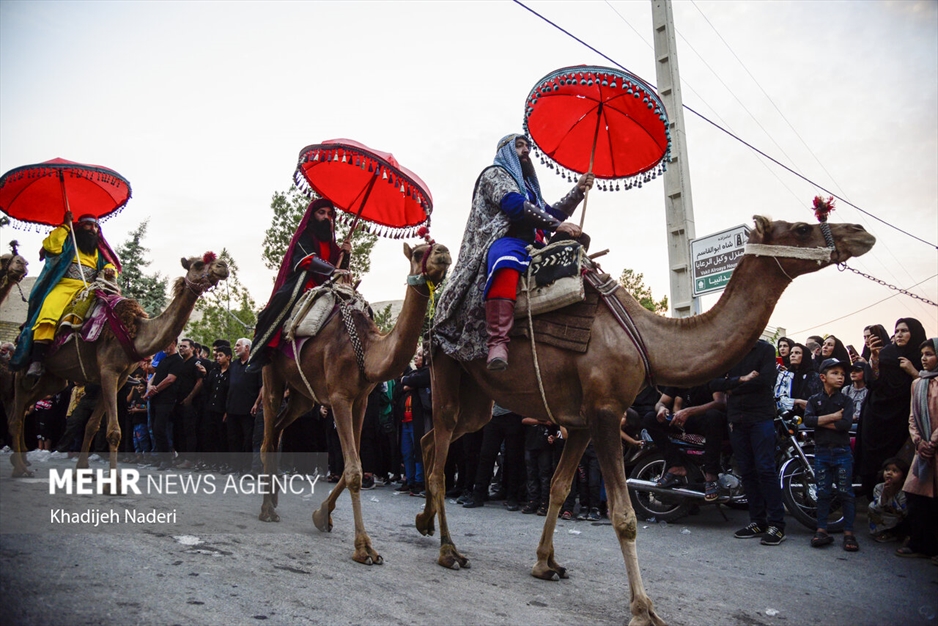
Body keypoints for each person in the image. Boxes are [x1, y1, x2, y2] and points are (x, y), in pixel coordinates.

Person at [433, 133, 593, 370]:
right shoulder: (494, 174)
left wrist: (578, 191)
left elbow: (549, 212)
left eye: (527, 146)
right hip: (507, 239)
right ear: (506, 152)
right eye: (519, 146)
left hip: (536, 245)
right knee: (505, 261)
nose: (526, 150)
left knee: (577, 244)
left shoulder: (529, 188)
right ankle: (498, 342)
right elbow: (515, 206)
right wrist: (556, 225)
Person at [248, 198, 351, 372]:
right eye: (322, 213)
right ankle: (263, 352)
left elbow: (340, 268)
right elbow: (307, 259)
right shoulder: (304, 236)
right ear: (312, 216)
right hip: (305, 281)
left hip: (328, 285)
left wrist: (345, 253)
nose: (327, 217)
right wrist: (332, 270)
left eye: (330, 214)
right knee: (283, 300)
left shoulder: (332, 245)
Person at [13, 212, 121, 378]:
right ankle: (37, 360)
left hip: (87, 289)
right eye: (88, 225)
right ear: (79, 227)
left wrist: (110, 269)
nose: (93, 229)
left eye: (96, 226)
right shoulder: (69, 242)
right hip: (63, 286)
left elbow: (110, 264)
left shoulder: (99, 250)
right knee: (48, 310)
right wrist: (65, 225)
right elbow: (51, 247)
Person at [710, 339, 787, 546]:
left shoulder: (765, 349)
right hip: (736, 419)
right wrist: (742, 379)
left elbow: (765, 381)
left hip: (760, 417)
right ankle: (757, 522)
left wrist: (732, 386)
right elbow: (714, 383)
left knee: (765, 469)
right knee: (747, 471)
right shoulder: (729, 351)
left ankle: (777, 525)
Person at [858, 317, 927, 497]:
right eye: (896, 331)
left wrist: (913, 372)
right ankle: (873, 498)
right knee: (872, 461)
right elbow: (872, 382)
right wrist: (874, 358)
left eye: (904, 330)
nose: (899, 334)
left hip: (902, 417)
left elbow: (929, 388)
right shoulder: (886, 353)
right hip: (876, 416)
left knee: (899, 461)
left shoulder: (922, 357)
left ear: (915, 333)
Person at [804, 358, 858, 551]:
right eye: (835, 373)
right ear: (823, 377)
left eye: (842, 374)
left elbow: (845, 424)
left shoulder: (846, 400)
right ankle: (821, 529)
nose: (840, 377)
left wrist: (821, 421)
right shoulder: (814, 399)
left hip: (841, 451)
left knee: (845, 492)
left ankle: (849, 533)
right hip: (821, 452)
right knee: (823, 492)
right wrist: (833, 417)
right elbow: (808, 420)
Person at [642, 384, 726, 502]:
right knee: (650, 418)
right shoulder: (681, 379)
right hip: (686, 421)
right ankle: (676, 465)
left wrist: (689, 411)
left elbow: (720, 402)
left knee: (714, 416)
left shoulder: (709, 375)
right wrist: (661, 408)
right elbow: (661, 402)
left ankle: (711, 475)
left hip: (705, 421)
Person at [896, 338, 938, 560]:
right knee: (916, 497)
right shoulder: (918, 383)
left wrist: (933, 441)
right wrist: (919, 442)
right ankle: (920, 544)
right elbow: (912, 417)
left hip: (934, 446)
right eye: (922, 354)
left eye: (930, 354)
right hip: (922, 450)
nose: (924, 358)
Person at [144, 338, 183, 471]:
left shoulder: (177, 360)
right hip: (156, 400)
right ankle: (160, 458)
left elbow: (170, 379)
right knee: (154, 429)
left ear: (173, 343)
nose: (165, 347)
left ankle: (167, 459)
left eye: (167, 344)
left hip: (166, 400)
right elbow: (155, 374)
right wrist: (150, 386)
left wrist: (156, 389)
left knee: (160, 428)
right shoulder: (163, 360)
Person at [226, 337, 263, 475]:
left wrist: (256, 403)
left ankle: (246, 467)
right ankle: (235, 465)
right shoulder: (234, 364)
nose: (235, 348)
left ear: (247, 348)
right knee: (233, 438)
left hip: (248, 408)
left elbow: (261, 386)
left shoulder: (255, 364)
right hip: (232, 407)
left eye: (238, 345)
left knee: (247, 439)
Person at [868, 457, 908, 543]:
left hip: (899, 517)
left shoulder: (904, 491)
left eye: (895, 471)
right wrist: (884, 495)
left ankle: (896, 532)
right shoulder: (879, 487)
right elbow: (878, 507)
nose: (889, 473)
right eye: (887, 470)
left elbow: (903, 511)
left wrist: (892, 495)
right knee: (871, 506)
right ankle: (881, 531)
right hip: (885, 512)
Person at [774, 343, 821, 416]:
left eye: (797, 353)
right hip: (788, 418)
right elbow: (778, 399)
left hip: (811, 418)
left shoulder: (815, 376)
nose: (792, 355)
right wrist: (797, 401)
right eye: (791, 353)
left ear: (804, 356)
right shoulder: (784, 375)